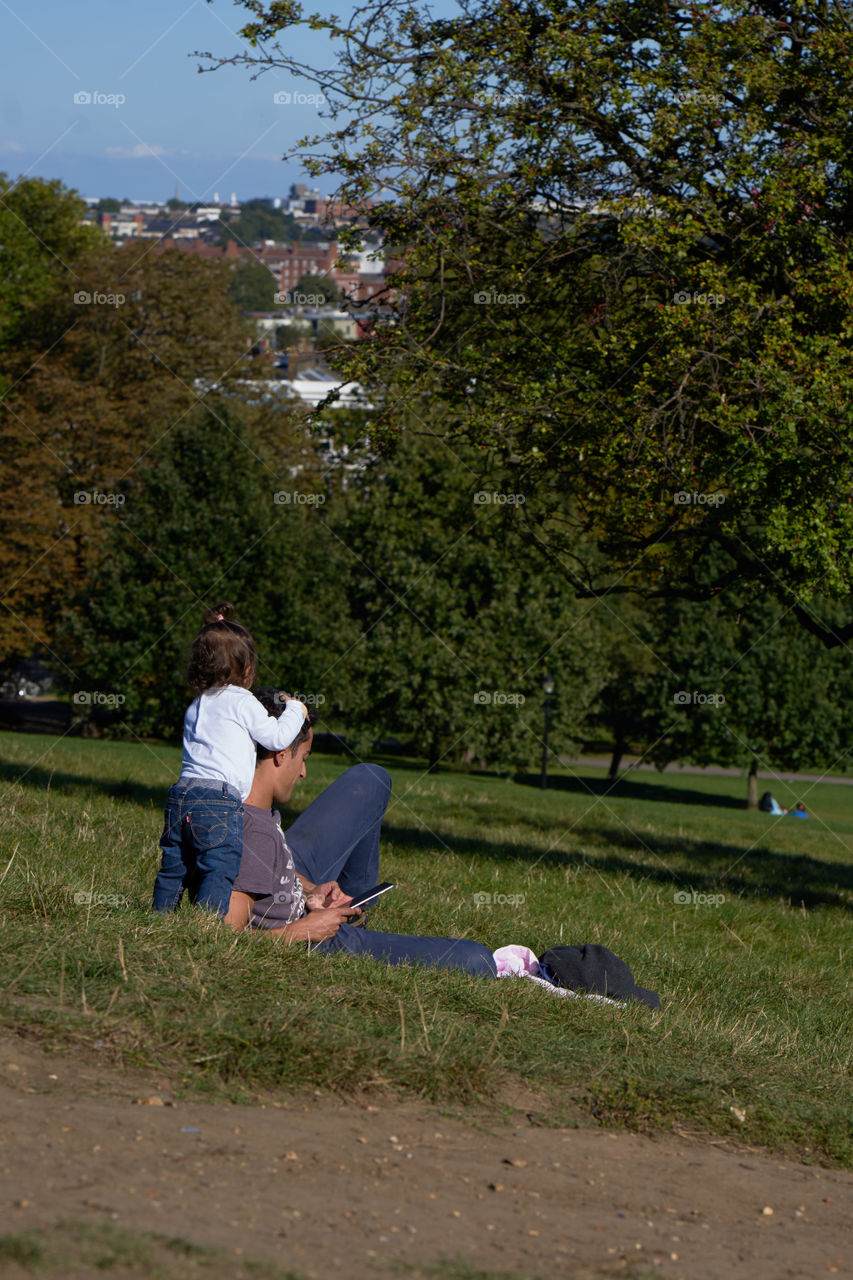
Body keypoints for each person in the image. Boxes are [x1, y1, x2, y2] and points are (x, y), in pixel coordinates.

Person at [224, 688, 497, 977]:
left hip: (293, 887)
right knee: (477, 960)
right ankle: (348, 926)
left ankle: (350, 910)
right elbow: (228, 941)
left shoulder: (249, 807)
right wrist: (303, 930)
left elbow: (267, 868)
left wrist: (311, 891)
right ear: (280, 755)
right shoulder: (254, 834)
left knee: (371, 778)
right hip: (313, 939)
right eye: (303, 758)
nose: (303, 772)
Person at [152, 606, 307, 915]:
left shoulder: (198, 703)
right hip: (219, 801)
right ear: (247, 669)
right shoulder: (242, 701)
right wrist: (295, 710)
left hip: (181, 795)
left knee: (175, 866)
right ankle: (208, 925)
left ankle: (159, 915)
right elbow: (276, 739)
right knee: (219, 867)